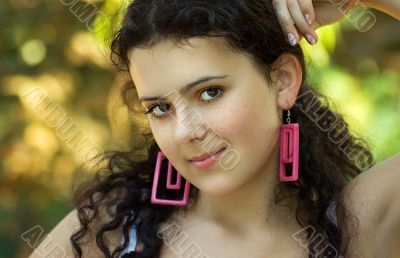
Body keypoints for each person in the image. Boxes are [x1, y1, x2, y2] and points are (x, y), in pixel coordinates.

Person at [29, 0, 400, 257]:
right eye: (161, 108)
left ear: (284, 81)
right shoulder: (113, 228)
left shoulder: (357, 224)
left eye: (210, 92)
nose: (184, 131)